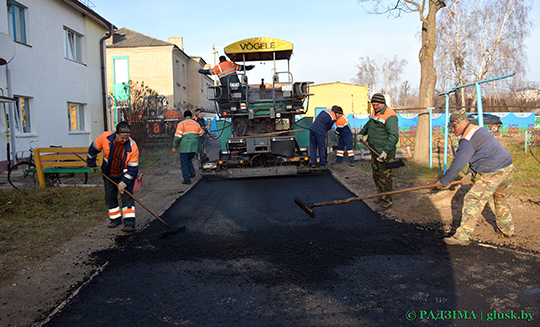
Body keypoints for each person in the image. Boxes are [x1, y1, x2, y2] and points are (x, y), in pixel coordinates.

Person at [439, 109, 515, 246]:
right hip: (508, 167)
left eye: (454, 126)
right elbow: (482, 153)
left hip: (495, 171)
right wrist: (471, 173)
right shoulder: (478, 129)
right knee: (502, 200)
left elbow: (458, 163)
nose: (452, 129)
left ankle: (462, 236)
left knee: (472, 199)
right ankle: (507, 230)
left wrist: (445, 181)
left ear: (462, 123)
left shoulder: (467, 139)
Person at [87, 121, 139, 233]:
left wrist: (124, 182)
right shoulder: (105, 137)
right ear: (116, 134)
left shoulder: (132, 146)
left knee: (127, 198)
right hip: (108, 173)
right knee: (109, 197)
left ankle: (129, 223)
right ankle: (115, 219)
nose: (124, 140)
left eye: (126, 137)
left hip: (124, 175)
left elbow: (133, 169)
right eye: (122, 137)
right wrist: (91, 162)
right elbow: (93, 148)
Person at [358, 93, 399, 212]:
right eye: (373, 105)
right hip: (374, 150)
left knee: (385, 177)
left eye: (376, 105)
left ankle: (387, 201)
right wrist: (362, 132)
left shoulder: (390, 116)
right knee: (376, 175)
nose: (374, 107)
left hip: (384, 153)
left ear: (382, 103)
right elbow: (368, 125)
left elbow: (394, 136)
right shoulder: (375, 113)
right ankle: (381, 195)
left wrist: (385, 152)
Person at [172, 110, 203, 184]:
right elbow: (201, 134)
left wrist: (174, 147)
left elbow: (177, 138)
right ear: (191, 116)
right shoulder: (196, 124)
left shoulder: (181, 124)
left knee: (184, 163)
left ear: (184, 116)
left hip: (184, 147)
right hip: (194, 147)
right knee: (189, 160)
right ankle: (192, 172)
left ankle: (187, 179)